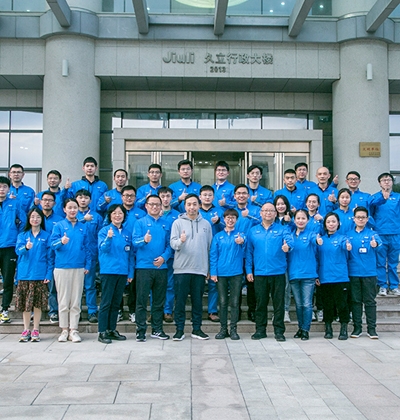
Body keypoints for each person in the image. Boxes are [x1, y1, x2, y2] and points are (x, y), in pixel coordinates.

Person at [245, 202, 293, 342]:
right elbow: (248, 252)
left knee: (278, 303)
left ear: (275, 213)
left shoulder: (282, 229)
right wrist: (249, 270)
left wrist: (288, 247)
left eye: (271, 211)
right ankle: (260, 330)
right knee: (260, 303)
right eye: (265, 210)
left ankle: (279, 331)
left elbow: (290, 242)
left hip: (278, 272)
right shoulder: (253, 231)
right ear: (260, 213)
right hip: (260, 273)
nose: (268, 213)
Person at [170, 194, 212, 341]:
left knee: (198, 302)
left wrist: (208, 269)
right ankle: (179, 330)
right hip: (181, 269)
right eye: (189, 204)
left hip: (199, 269)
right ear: (184, 206)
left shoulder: (206, 224)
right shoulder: (177, 223)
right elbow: (173, 244)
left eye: (194, 204)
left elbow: (209, 247)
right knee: (180, 302)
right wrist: (181, 241)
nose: (192, 207)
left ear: (199, 205)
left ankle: (197, 329)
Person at [50, 198, 91, 343]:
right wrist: (61, 242)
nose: (73, 210)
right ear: (64, 210)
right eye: (70, 207)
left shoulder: (83, 227)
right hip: (62, 267)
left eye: (75, 208)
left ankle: (74, 329)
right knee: (63, 300)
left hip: (78, 266)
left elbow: (87, 247)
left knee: (75, 300)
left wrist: (88, 265)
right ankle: (64, 329)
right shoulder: (59, 226)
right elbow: (52, 244)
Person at [133, 195, 172, 342]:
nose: (154, 207)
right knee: (141, 301)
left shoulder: (166, 224)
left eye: (157, 204)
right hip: (144, 267)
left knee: (158, 301)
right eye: (151, 204)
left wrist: (164, 257)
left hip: (161, 267)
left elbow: (170, 245)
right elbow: (135, 242)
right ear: (146, 206)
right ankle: (140, 330)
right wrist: (144, 240)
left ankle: (157, 329)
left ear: (161, 206)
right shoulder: (140, 223)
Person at [15, 208, 53, 342]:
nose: (35, 219)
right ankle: (26, 329)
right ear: (28, 219)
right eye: (32, 217)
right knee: (25, 304)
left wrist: (48, 274)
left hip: (39, 274)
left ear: (41, 219)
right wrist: (26, 248)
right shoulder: (22, 235)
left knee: (37, 303)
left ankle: (36, 329)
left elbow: (50, 257)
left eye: (38, 217)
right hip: (24, 274)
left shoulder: (46, 236)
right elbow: (18, 251)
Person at [97, 204, 133, 344]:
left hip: (122, 271)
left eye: (120, 213)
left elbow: (130, 254)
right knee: (106, 302)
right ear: (110, 215)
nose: (117, 216)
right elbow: (103, 249)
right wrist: (109, 238)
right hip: (108, 271)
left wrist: (130, 272)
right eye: (114, 213)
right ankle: (102, 331)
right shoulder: (104, 231)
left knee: (116, 303)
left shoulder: (127, 233)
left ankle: (111, 329)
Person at [210, 209, 246, 340]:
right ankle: (223, 329)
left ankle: (233, 329)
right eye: (228, 218)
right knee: (223, 301)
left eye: (233, 218)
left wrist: (241, 242)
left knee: (235, 302)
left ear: (236, 220)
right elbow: (213, 255)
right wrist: (213, 272)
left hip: (236, 273)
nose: (230, 220)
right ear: (224, 219)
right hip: (221, 273)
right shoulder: (218, 236)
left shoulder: (241, 235)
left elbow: (245, 248)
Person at [347, 206, 381, 339]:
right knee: (355, 301)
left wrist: (375, 245)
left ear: (367, 219)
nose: (360, 219)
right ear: (354, 219)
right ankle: (357, 328)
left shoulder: (372, 234)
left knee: (370, 301)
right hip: (354, 273)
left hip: (369, 273)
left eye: (363, 217)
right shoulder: (348, 235)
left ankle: (372, 329)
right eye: (358, 217)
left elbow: (379, 244)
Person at [287, 209, 321, 340]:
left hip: (308, 274)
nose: (300, 221)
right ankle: (300, 328)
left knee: (307, 304)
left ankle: (306, 329)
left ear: (308, 220)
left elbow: (316, 241)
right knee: (298, 304)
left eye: (303, 218)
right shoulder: (290, 235)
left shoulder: (312, 234)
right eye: (298, 218)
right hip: (294, 274)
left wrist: (318, 240)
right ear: (294, 220)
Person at [317, 212, 352, 340]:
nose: (331, 224)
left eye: (333, 221)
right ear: (325, 224)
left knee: (342, 304)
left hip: (340, 277)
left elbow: (346, 247)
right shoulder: (320, 240)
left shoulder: (343, 238)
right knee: (327, 304)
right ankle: (328, 328)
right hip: (324, 277)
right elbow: (316, 258)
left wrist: (348, 246)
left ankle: (344, 328)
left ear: (338, 224)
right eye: (328, 222)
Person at [232, 184, 261, 323]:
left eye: (244, 193)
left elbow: (263, 223)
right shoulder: (231, 212)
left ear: (249, 196)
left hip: (252, 252)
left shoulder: (255, 210)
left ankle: (252, 310)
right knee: (236, 283)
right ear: (234, 196)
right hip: (235, 252)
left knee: (251, 283)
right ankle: (236, 311)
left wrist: (248, 216)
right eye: (238, 193)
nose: (241, 196)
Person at [0, 176, 26, 324]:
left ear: (9, 189)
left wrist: (17, 237)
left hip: (10, 246)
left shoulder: (14, 204)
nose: (1, 189)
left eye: (4, 186)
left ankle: (4, 310)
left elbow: (23, 222)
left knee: (8, 279)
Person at [370, 172, 400, 296]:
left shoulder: (398, 197)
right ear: (379, 183)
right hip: (380, 233)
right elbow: (370, 214)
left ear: (392, 182)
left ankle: (394, 286)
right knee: (380, 262)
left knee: (393, 262)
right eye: (383, 180)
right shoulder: (374, 197)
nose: (386, 182)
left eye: (388, 179)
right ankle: (382, 285)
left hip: (395, 233)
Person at [76, 189, 103, 324]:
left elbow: (101, 235)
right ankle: (77, 312)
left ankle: (92, 311)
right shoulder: (72, 214)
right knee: (76, 287)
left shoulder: (96, 217)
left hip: (91, 255)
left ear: (90, 200)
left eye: (86, 198)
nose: (83, 200)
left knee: (90, 285)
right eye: (80, 197)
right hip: (75, 256)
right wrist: (82, 220)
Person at [199, 185, 225, 323]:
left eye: (210, 195)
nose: (207, 197)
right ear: (200, 197)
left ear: (213, 197)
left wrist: (219, 222)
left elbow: (228, 227)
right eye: (205, 195)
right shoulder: (196, 211)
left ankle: (212, 310)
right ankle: (196, 311)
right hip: (198, 250)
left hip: (216, 250)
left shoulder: (219, 211)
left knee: (214, 281)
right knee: (197, 281)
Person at [40, 191, 63, 324]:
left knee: (53, 286)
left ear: (54, 203)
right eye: (45, 200)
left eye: (50, 200)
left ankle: (53, 311)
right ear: (40, 202)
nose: (47, 202)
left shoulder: (59, 220)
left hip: (54, 255)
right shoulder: (35, 216)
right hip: (38, 254)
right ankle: (35, 310)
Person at [158, 187, 180, 323]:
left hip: (172, 256)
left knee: (170, 284)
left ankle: (167, 311)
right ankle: (156, 311)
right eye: (162, 196)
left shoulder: (177, 215)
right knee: (155, 285)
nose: (165, 199)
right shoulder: (153, 214)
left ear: (172, 198)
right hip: (156, 256)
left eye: (168, 196)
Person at [273, 194, 294, 323]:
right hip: (275, 257)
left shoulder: (292, 220)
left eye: (282, 204)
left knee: (286, 286)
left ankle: (285, 311)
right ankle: (277, 311)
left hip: (289, 256)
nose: (280, 206)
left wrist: (290, 221)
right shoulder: (272, 219)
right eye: (278, 204)